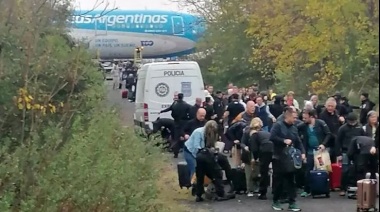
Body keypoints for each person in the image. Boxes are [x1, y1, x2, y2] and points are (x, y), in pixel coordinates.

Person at [270, 108, 305, 211]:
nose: (295, 119)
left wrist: (302, 152)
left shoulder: (294, 128)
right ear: (287, 116)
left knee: (291, 181)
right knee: (279, 181)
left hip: (290, 158)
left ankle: (292, 203)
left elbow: (298, 141)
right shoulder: (278, 125)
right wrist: (283, 140)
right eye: (294, 117)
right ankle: (275, 201)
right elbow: (271, 137)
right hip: (278, 157)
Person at [191, 121, 235, 202]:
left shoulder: (204, 133)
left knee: (200, 176)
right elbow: (198, 146)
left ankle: (199, 195)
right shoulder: (203, 133)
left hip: (200, 155)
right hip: (208, 155)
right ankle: (221, 193)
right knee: (218, 174)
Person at [297, 109, 332, 197]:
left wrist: (324, 144)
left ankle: (324, 188)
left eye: (305, 118)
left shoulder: (320, 123)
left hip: (320, 151)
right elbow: (295, 130)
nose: (303, 119)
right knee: (308, 169)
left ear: (311, 117)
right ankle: (307, 190)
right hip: (309, 150)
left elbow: (328, 134)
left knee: (323, 169)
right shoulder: (303, 126)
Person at [241, 117, 273, 200]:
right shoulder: (248, 133)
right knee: (251, 172)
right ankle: (251, 189)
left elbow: (255, 148)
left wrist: (255, 157)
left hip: (258, 153)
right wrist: (246, 147)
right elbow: (243, 143)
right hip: (251, 153)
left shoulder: (258, 133)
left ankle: (257, 189)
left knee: (257, 172)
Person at [336, 112, 366, 196]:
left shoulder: (360, 128)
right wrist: (338, 153)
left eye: (354, 121)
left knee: (358, 170)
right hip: (346, 151)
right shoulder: (343, 128)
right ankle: (343, 188)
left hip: (357, 152)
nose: (352, 123)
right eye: (350, 121)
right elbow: (338, 141)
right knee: (345, 170)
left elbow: (364, 139)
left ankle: (357, 187)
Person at [161, 93, 191, 158]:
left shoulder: (175, 104)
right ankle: (186, 151)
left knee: (176, 138)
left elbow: (170, 109)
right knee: (185, 137)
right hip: (184, 122)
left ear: (178, 97)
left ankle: (175, 153)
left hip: (176, 123)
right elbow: (190, 112)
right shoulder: (186, 105)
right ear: (182, 97)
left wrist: (162, 111)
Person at [319, 97, 345, 163]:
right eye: (329, 106)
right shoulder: (322, 115)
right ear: (325, 105)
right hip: (326, 141)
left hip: (336, 142)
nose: (330, 108)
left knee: (335, 163)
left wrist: (342, 121)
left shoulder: (337, 114)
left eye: (332, 106)